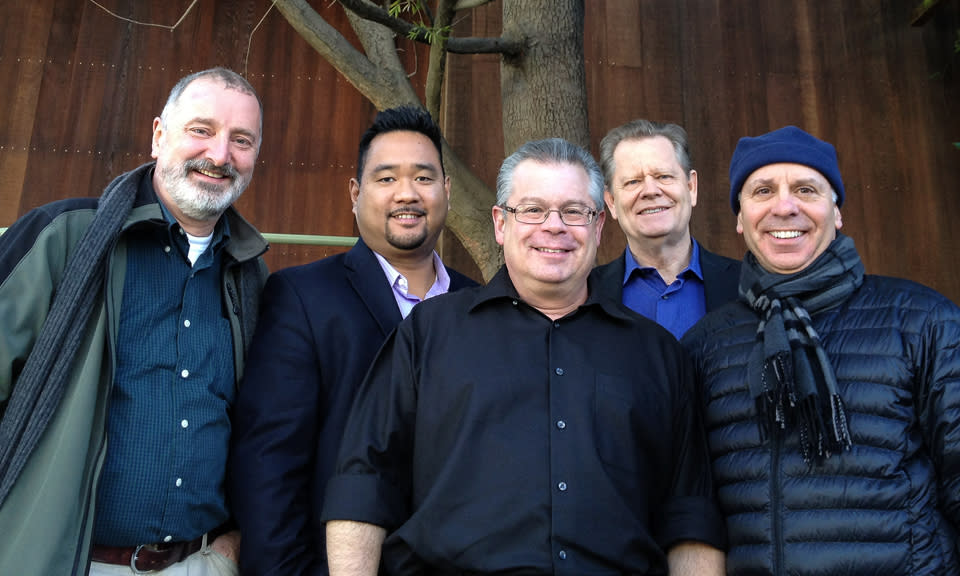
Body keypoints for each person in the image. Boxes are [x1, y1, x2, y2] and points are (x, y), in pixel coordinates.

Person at [322, 138, 726, 575]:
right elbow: (363, 484)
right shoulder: (428, 334)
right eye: (532, 210)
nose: (554, 226)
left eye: (574, 211)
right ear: (500, 223)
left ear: (598, 227)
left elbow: (690, 518)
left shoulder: (658, 354)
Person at [0, 67, 268, 575]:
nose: (219, 154)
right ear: (158, 135)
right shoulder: (62, 239)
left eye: (241, 140)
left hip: (203, 563)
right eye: (201, 130)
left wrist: (230, 548)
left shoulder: (250, 274)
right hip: (71, 563)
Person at [682, 125, 960, 575]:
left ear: (837, 211)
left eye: (806, 189)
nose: (784, 206)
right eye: (762, 190)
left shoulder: (923, 321)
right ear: (740, 217)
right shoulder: (706, 346)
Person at [229, 106, 477, 576]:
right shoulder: (304, 297)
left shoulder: (480, 305)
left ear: (446, 190)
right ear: (356, 193)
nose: (407, 194)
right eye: (386, 179)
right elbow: (269, 465)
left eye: (424, 178)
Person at [592, 119, 739, 339]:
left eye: (664, 176)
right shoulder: (586, 294)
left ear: (691, 188)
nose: (650, 190)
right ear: (611, 201)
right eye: (633, 181)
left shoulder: (745, 286)